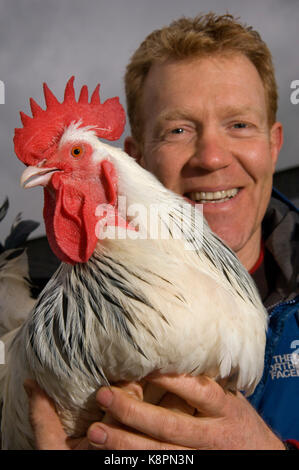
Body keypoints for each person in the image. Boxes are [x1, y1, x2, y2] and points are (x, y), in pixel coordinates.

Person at [23, 13, 299, 450]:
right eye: (178, 130)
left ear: (273, 143)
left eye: (239, 125)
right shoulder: (44, 330)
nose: (210, 158)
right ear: (134, 157)